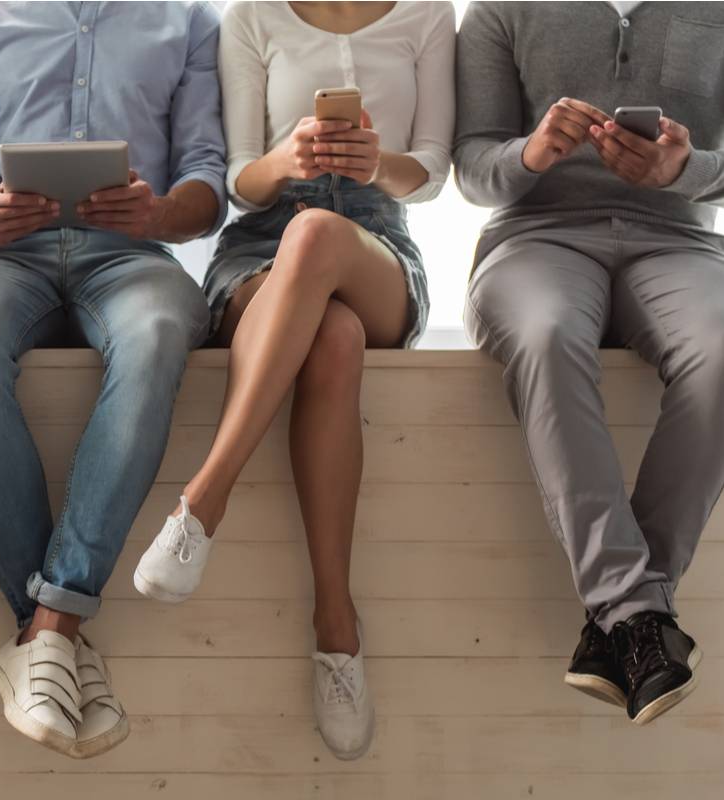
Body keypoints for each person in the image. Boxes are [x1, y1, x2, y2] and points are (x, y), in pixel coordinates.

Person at [131, 0, 454, 760]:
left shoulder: (428, 15)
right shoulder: (253, 17)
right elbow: (243, 179)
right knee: (332, 339)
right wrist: (289, 160)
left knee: (320, 236)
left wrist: (376, 165)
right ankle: (336, 631)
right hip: (260, 250)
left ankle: (202, 501)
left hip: (375, 245)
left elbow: (435, 170)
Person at [0, 1, 226, 759]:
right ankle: (50, 632)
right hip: (6, 261)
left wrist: (156, 212)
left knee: (159, 334)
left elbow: (207, 182)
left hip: (132, 258)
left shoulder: (188, 20)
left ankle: (47, 628)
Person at [455, 0, 724, 725]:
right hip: (534, 240)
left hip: (678, 241)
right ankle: (640, 617)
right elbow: (474, 168)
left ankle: (628, 619)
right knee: (544, 337)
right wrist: (531, 153)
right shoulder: (499, 11)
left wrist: (683, 167)